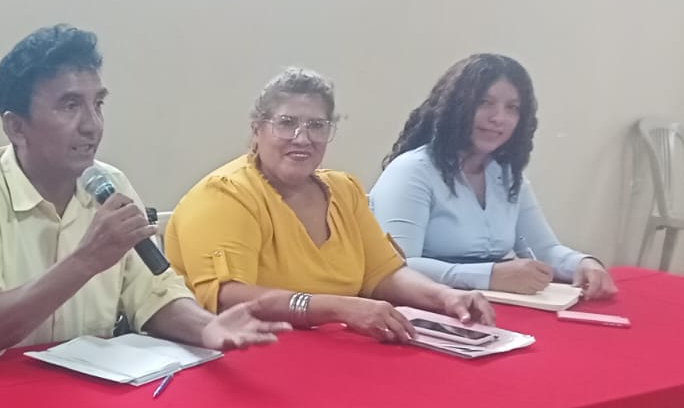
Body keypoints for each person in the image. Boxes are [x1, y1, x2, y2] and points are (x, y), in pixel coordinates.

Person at [0, 24, 284, 364]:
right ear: (16, 127)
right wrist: (84, 261)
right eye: (70, 106)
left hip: (79, 382)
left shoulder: (111, 185)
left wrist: (206, 327)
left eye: (97, 104)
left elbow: (153, 293)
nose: (92, 125)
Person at [165, 68, 495, 343]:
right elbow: (228, 299)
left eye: (317, 126)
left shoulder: (344, 190)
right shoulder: (226, 194)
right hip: (252, 350)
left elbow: (383, 274)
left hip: (336, 348)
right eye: (286, 123)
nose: (302, 138)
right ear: (257, 130)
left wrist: (445, 297)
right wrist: (338, 308)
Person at [369, 53, 617, 300]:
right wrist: (489, 275)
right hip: (426, 307)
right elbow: (397, 267)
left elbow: (541, 249)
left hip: (493, 304)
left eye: (512, 108)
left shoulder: (506, 175)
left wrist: (584, 264)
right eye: (484, 103)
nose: (498, 118)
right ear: (456, 107)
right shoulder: (412, 170)